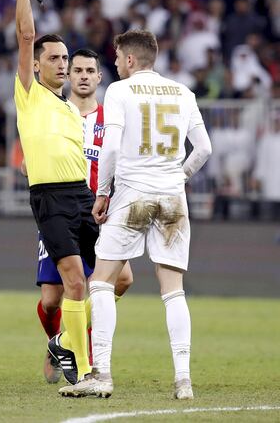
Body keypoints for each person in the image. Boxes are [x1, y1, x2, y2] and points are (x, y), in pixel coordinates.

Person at [58, 30, 212, 398]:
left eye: (115, 58)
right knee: (173, 290)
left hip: (132, 194)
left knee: (102, 282)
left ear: (129, 60)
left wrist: (103, 192)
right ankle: (183, 381)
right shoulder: (183, 92)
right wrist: (180, 176)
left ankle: (102, 375)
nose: (113, 64)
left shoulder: (119, 91)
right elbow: (204, 148)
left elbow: (110, 147)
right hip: (172, 198)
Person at [6, 0, 97, 385]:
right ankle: (82, 368)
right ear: (38, 63)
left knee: (111, 281)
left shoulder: (68, 109)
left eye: (66, 59)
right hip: (51, 197)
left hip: (82, 195)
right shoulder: (30, 93)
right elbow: (26, 36)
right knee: (67, 286)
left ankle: (65, 344)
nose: (62, 64)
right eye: (55, 58)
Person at [26, 49, 133, 383]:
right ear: (68, 76)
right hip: (59, 209)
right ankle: (55, 343)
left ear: (100, 77)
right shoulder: (55, 111)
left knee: (122, 279)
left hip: (100, 214)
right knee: (52, 299)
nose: (84, 76)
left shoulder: (112, 121)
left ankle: (67, 343)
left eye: (90, 70)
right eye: (77, 70)